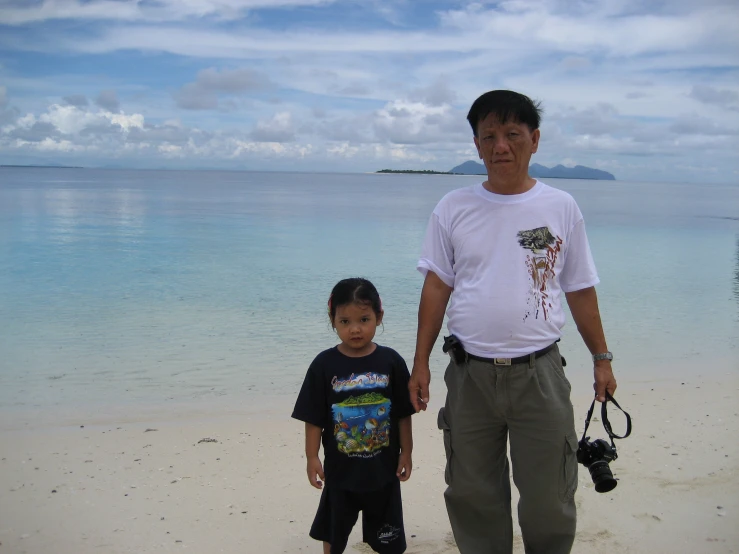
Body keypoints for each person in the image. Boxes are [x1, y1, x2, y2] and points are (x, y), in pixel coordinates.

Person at [408, 90, 618, 554]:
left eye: (512, 134)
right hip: (468, 375)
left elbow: (580, 288)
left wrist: (601, 359)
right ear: (477, 146)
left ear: (534, 140)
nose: (500, 145)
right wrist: (419, 361)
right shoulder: (453, 207)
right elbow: (437, 287)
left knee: (549, 498)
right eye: (489, 136)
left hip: (539, 373)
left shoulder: (560, 207)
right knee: (472, 494)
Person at [293, 278, 415, 554]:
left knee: (388, 539)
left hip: (383, 472)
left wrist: (406, 451)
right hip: (340, 474)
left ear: (378, 317)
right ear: (332, 320)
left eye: (364, 319)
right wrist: (312, 457)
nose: (355, 329)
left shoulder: (391, 362)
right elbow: (313, 418)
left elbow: (403, 415)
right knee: (334, 534)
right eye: (345, 321)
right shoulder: (323, 365)